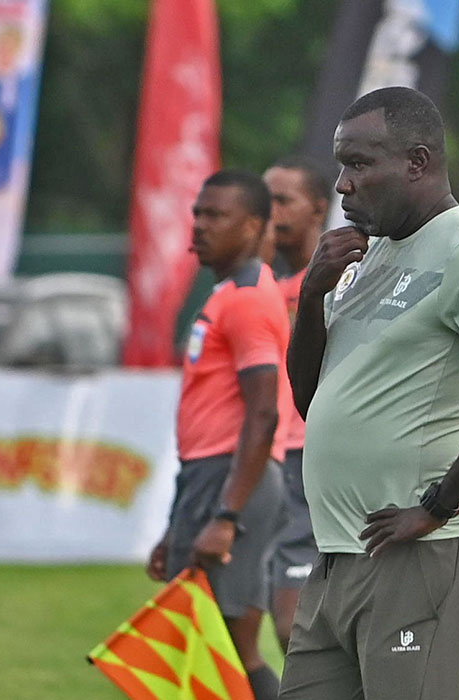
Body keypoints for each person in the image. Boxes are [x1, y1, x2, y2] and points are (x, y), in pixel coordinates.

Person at [279, 87, 459, 699]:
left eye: (360, 163)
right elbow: (310, 402)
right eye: (341, 165)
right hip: (339, 554)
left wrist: (438, 503)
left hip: (419, 556)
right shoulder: (372, 252)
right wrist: (311, 297)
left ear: (418, 162)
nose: (342, 185)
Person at [145, 169, 289, 700]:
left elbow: (262, 414)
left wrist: (227, 515)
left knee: (226, 646)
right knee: (205, 645)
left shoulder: (250, 298)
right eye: (198, 213)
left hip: (233, 480)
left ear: (253, 226)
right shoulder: (228, 294)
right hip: (209, 478)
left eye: (216, 215)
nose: (200, 225)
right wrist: (174, 523)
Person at [263, 156, 330, 653]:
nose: (270, 212)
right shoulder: (261, 290)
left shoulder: (340, 285)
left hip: (311, 455)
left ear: (319, 210)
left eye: (283, 200)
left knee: (294, 627)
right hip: (267, 460)